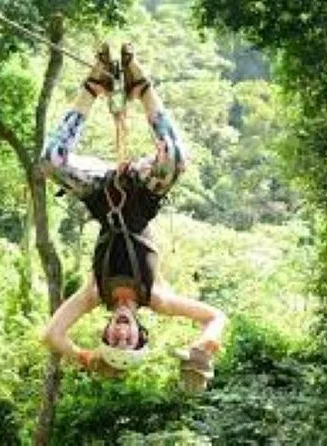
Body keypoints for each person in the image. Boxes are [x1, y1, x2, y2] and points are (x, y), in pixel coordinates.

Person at [40, 43, 226, 389]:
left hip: (103, 193)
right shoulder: (157, 297)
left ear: (106, 331)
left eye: (114, 339)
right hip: (141, 193)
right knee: (174, 159)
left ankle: (93, 87)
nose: (121, 334)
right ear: (140, 332)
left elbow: (52, 335)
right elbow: (216, 316)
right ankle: (142, 89)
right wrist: (204, 345)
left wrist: (85, 358)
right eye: (129, 339)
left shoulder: (95, 294)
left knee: (51, 162)